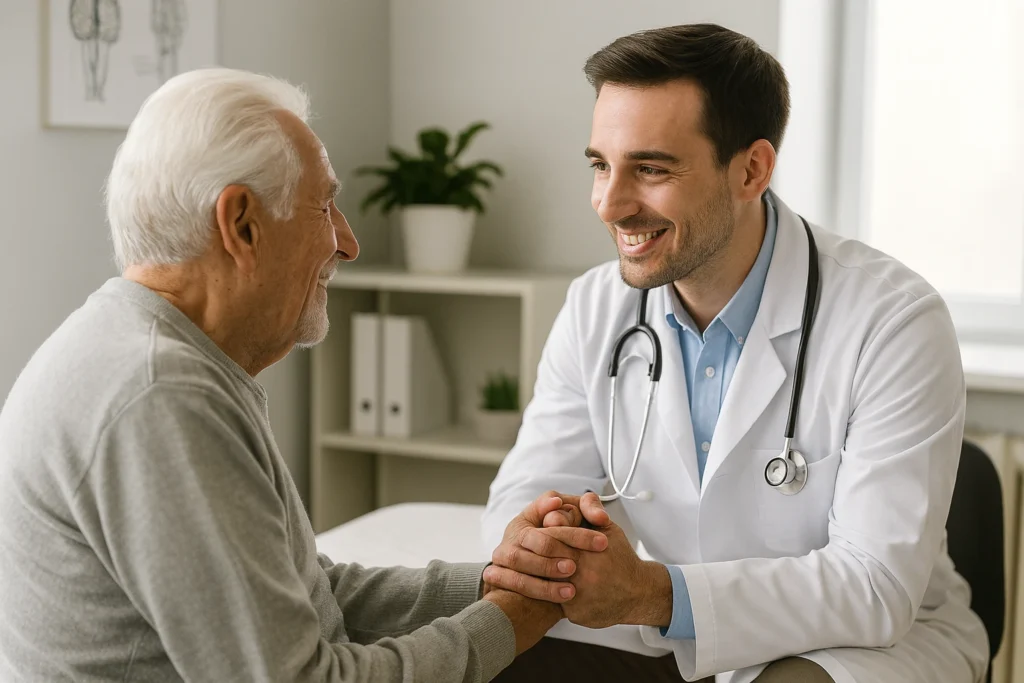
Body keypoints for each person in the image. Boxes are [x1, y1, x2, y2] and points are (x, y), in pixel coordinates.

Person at [0, 68, 602, 683]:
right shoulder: (160, 395)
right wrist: (510, 618)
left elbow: (308, 592)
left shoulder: (150, 351)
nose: (347, 242)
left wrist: (495, 582)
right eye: (325, 206)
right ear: (241, 225)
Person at [480, 23, 989, 683]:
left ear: (751, 169)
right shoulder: (595, 307)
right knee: (494, 655)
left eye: (651, 168)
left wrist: (652, 592)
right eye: (600, 165)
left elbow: (875, 584)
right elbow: (524, 490)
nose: (610, 204)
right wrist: (541, 535)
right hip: (660, 634)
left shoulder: (893, 320)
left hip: (860, 643)